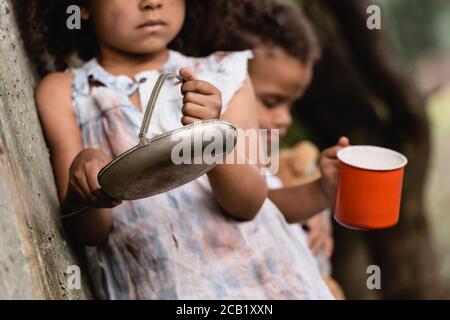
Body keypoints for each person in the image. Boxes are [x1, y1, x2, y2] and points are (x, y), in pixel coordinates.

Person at [27, 0, 346, 299]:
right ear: (82, 7)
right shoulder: (65, 94)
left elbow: (248, 203)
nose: (151, 3)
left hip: (265, 279)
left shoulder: (226, 74)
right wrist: (86, 171)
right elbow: (89, 232)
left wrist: (212, 133)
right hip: (164, 286)